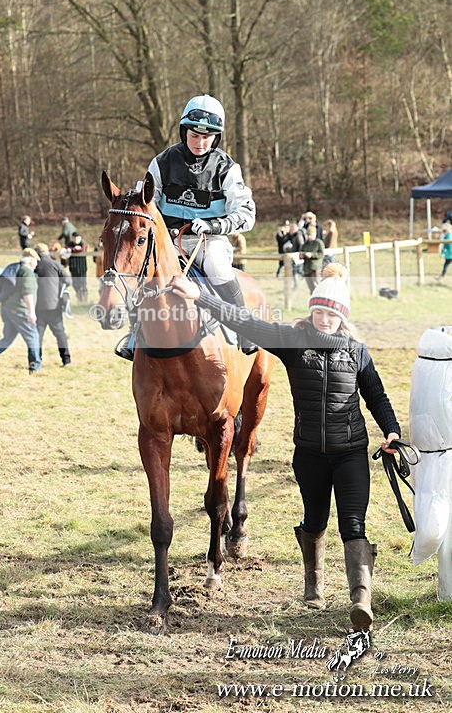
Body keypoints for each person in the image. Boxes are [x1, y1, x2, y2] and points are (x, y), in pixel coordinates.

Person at [170, 263, 401, 631]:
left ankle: (361, 599)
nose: (324, 320)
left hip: (351, 452)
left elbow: (377, 395)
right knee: (315, 521)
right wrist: (201, 297)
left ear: (342, 317)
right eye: (319, 312)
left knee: (353, 524)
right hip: (309, 455)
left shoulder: (357, 352)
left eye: (332, 314)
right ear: (312, 311)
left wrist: (391, 431)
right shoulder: (294, 343)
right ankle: (314, 587)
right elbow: (246, 322)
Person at [114, 93, 256, 361]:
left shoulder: (227, 168)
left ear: (217, 137)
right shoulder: (162, 162)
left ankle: (244, 327)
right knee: (146, 272)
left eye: (207, 137)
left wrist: (214, 225)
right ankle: (134, 336)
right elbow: (147, 203)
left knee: (217, 267)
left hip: (208, 241)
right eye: (194, 135)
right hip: (168, 241)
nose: (200, 143)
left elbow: (247, 214)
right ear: (183, 131)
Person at [0, 248, 41, 375]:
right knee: (33, 336)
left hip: (7, 308)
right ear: (31, 260)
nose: (37, 264)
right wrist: (32, 312)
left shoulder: (13, 268)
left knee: (7, 339)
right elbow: (27, 293)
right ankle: (35, 367)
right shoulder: (27, 272)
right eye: (36, 261)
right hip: (20, 310)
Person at [34, 243, 72, 367]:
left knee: (37, 335)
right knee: (60, 334)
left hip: (37, 306)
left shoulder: (34, 265)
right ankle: (66, 360)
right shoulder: (55, 264)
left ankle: (36, 361)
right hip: (54, 305)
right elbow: (68, 281)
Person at [300, 225, 325, 291]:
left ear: (315, 234)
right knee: (311, 288)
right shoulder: (305, 244)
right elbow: (301, 251)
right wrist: (302, 256)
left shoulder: (318, 243)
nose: (309, 236)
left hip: (315, 268)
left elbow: (321, 254)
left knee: (317, 286)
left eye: (310, 235)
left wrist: (312, 255)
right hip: (306, 268)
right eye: (308, 235)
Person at [66, 231, 88, 302]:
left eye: (77, 238)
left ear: (80, 238)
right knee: (75, 284)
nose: (76, 239)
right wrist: (75, 249)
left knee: (83, 284)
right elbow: (67, 249)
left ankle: (84, 300)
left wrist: (72, 250)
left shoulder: (83, 243)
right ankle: (79, 298)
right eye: (74, 238)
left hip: (82, 267)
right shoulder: (69, 243)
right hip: (73, 267)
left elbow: (83, 249)